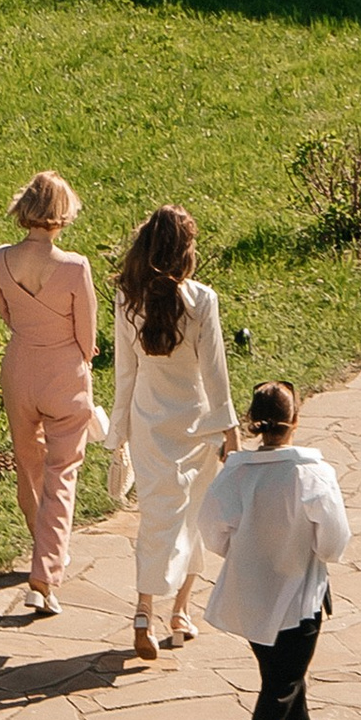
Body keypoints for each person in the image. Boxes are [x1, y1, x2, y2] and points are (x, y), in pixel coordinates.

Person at [204, 383, 350, 720]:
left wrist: (247, 550)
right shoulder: (312, 475)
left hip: (252, 601)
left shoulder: (234, 474)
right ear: (296, 421)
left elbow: (213, 533)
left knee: (284, 685)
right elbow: (333, 543)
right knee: (275, 701)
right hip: (298, 604)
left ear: (253, 423)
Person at [110, 206, 237, 663]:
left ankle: (144, 611)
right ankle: (181, 613)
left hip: (148, 422)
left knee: (157, 517)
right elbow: (215, 371)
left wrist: (118, 432)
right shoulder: (202, 300)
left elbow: (125, 373)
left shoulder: (127, 300)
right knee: (195, 516)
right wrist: (230, 430)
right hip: (197, 425)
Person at [0, 171, 100, 621]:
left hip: (19, 369)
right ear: (62, 214)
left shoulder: (1, 258)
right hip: (64, 374)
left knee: (28, 466)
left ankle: (43, 551)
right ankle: (44, 578)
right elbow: (88, 336)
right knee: (61, 477)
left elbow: (5, 312)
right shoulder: (75, 266)